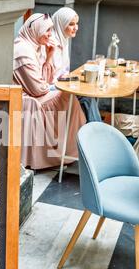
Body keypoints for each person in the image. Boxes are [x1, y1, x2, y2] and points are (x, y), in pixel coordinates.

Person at [13, 13, 86, 170]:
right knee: (69, 97)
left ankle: (69, 149)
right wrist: (53, 85)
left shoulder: (35, 47)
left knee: (69, 96)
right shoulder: (23, 52)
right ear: (37, 30)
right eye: (47, 30)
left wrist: (49, 56)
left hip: (35, 95)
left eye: (51, 30)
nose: (50, 34)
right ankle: (66, 150)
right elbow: (38, 88)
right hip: (26, 100)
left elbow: (43, 82)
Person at [51, 7, 102, 122]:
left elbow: (63, 72)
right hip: (52, 89)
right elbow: (49, 78)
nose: (76, 28)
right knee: (87, 97)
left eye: (76, 24)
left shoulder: (63, 40)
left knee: (87, 95)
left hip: (62, 85)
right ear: (61, 24)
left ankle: (95, 130)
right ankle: (97, 132)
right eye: (71, 24)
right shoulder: (51, 45)